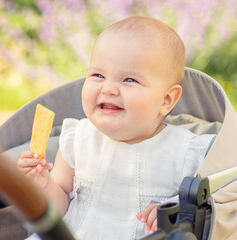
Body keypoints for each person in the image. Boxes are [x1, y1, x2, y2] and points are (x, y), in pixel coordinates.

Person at [17, 16, 216, 239]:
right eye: (98, 75)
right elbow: (60, 206)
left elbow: (212, 202)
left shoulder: (184, 152)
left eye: (129, 80)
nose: (109, 88)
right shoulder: (78, 139)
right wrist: (44, 185)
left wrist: (175, 210)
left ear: (166, 100)